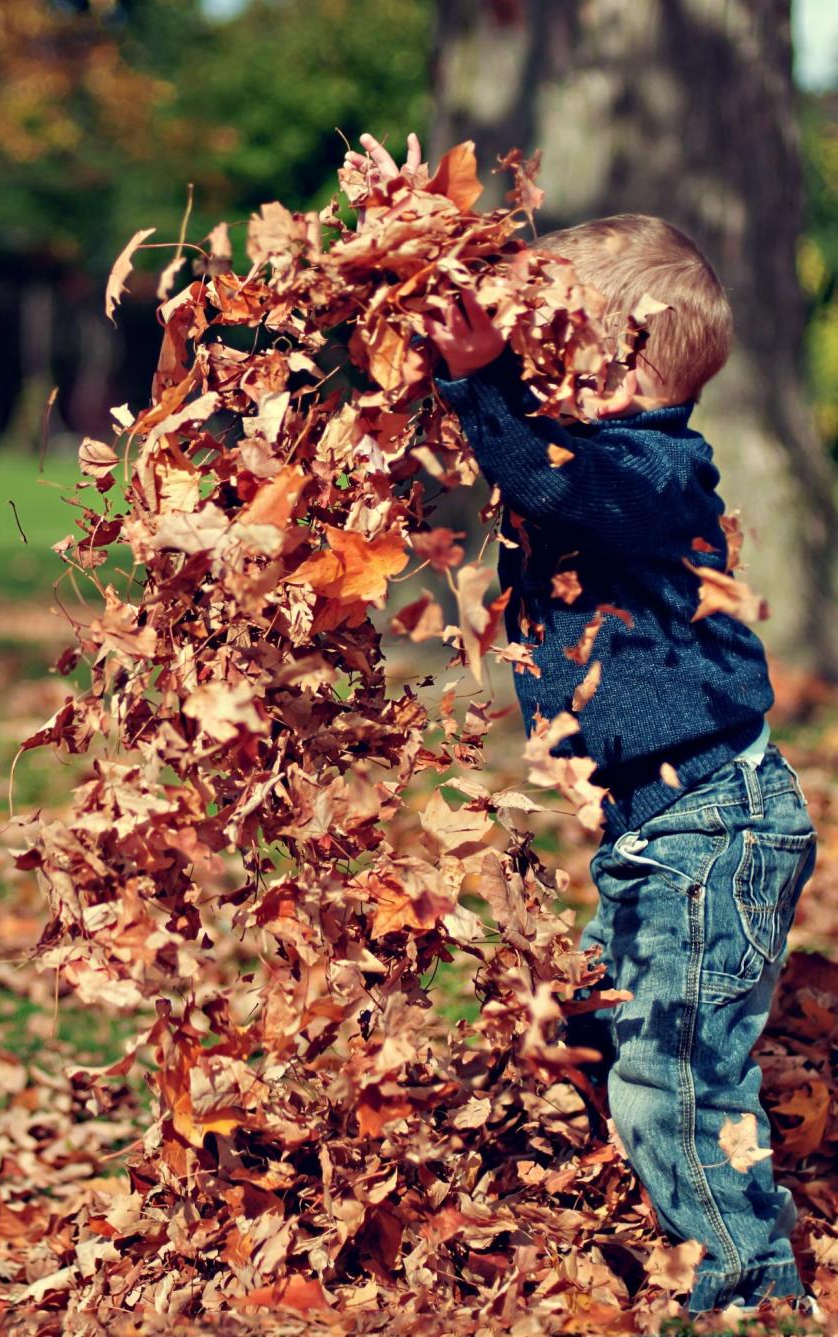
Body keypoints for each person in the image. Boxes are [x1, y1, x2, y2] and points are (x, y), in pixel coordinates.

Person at [350, 132, 820, 1317]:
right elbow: (532, 468)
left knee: (675, 1071)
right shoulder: (598, 456)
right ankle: (672, 1215)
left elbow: (550, 479)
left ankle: (749, 1286)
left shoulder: (653, 470)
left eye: (547, 338)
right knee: (613, 1031)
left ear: (611, 366)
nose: (525, 358)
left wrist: (479, 381)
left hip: (714, 824)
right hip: (662, 828)